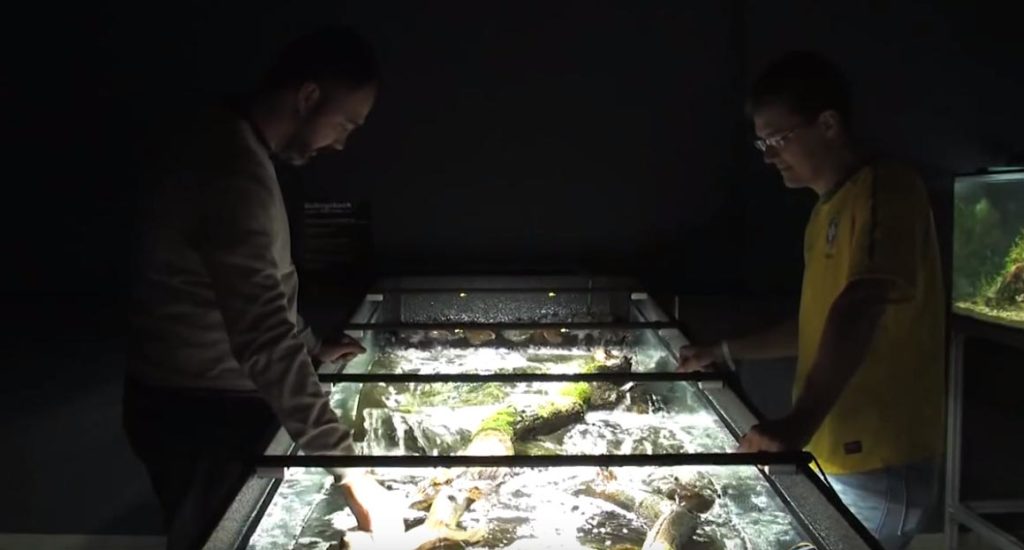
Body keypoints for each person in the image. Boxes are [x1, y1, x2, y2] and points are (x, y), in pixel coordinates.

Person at [125, 27, 402, 549]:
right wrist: (351, 470)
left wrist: (311, 347)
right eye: (345, 123)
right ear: (308, 96)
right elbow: (261, 332)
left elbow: (259, 288)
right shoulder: (231, 172)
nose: (342, 143)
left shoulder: (230, 145)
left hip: (194, 401)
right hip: (198, 413)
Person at [678, 52, 945, 549]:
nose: (768, 156)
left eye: (778, 139)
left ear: (828, 124)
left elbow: (859, 304)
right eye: (761, 143)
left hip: (878, 459)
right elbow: (814, 326)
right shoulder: (826, 212)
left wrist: (796, 424)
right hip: (832, 449)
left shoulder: (886, 189)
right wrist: (724, 352)